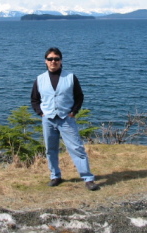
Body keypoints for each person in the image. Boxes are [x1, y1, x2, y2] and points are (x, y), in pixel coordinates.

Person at [31, 47, 100, 191]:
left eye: (56, 59)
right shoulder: (39, 79)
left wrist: (73, 112)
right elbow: (34, 99)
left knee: (77, 148)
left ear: (61, 61)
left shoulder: (70, 77)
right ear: (45, 61)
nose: (53, 62)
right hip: (48, 119)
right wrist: (40, 113)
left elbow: (79, 96)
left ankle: (88, 178)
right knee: (50, 149)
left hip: (66, 119)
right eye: (50, 59)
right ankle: (55, 176)